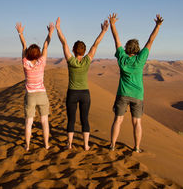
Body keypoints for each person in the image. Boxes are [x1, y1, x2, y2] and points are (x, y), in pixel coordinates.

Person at [108, 13, 164, 153]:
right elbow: (150, 41)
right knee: (137, 122)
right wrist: (157, 25)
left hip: (123, 93)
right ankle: (137, 148)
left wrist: (113, 24)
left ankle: (112, 145)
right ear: (138, 49)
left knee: (118, 120)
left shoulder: (122, 58)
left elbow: (116, 40)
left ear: (127, 49)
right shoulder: (140, 59)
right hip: (137, 95)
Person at [55, 17, 109, 150]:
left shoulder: (71, 61)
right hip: (85, 94)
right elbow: (95, 45)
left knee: (71, 120)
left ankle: (69, 144)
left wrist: (58, 29)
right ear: (84, 51)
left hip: (72, 93)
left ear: (74, 50)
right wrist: (103, 31)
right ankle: (85, 145)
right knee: (85, 119)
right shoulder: (87, 60)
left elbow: (64, 43)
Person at [15, 21, 54, 151]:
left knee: (28, 123)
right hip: (42, 94)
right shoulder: (41, 62)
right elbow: (46, 46)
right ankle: (46, 144)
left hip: (30, 96)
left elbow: (24, 45)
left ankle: (27, 145)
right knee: (44, 122)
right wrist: (50, 33)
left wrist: (20, 33)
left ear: (28, 54)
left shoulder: (25, 62)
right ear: (38, 54)